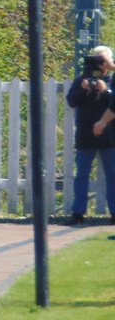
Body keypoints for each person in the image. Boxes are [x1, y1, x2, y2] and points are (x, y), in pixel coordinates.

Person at [69, 46, 115, 224]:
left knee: (112, 175)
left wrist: (106, 91)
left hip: (110, 134)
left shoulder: (111, 80)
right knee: (81, 174)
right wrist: (83, 89)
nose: (98, 63)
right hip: (86, 134)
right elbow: (72, 101)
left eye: (102, 60)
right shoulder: (82, 80)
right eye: (95, 59)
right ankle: (78, 212)